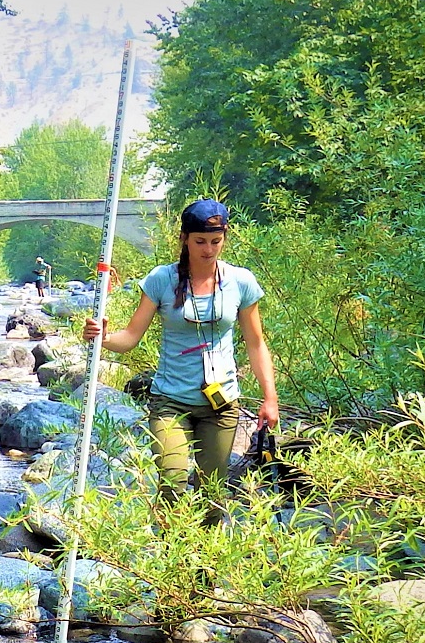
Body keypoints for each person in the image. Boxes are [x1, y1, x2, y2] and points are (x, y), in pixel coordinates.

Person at [82, 198, 278, 503]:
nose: (208, 250)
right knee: (172, 481)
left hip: (220, 405)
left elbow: (256, 344)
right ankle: (166, 546)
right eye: (200, 241)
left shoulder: (240, 281)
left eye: (216, 241)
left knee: (212, 493)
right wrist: (102, 337)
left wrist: (270, 398)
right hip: (170, 402)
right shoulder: (162, 279)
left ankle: (205, 550)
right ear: (184, 238)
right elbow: (130, 337)